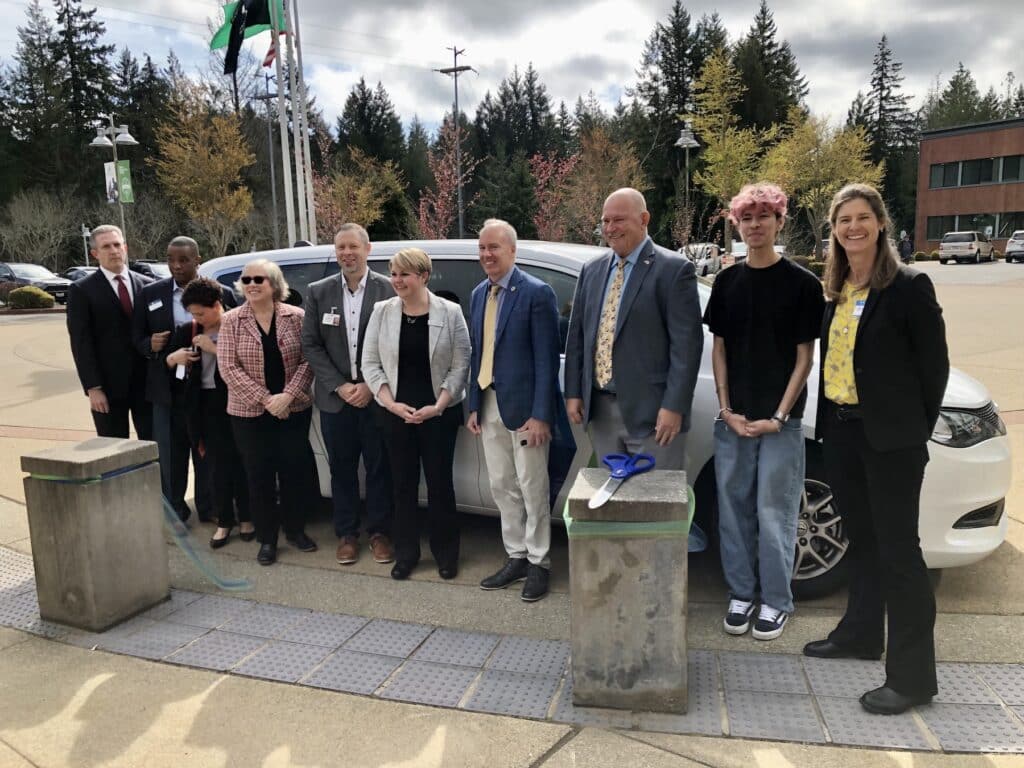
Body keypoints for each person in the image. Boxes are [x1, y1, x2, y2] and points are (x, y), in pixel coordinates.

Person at [803, 183, 949, 716]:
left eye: (862, 218)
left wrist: (911, 433)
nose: (852, 228)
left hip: (890, 443)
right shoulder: (837, 290)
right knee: (861, 542)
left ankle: (912, 679)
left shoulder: (909, 286)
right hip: (843, 435)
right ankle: (861, 635)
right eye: (843, 220)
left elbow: (934, 370)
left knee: (900, 555)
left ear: (881, 224)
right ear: (834, 230)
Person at [704, 183, 824, 641]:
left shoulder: (802, 284)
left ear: (779, 221)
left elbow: (804, 358)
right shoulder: (727, 281)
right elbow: (719, 348)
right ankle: (741, 592)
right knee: (733, 511)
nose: (755, 225)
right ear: (737, 223)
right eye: (746, 217)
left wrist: (778, 415)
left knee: (775, 512)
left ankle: (776, 600)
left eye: (763, 217)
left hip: (781, 422)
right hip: (733, 421)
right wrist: (727, 408)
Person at [564, 188, 703, 468]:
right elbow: (577, 337)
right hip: (600, 411)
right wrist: (574, 392)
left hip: (653, 416)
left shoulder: (673, 270)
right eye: (605, 221)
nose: (610, 228)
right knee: (612, 505)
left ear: (644, 219)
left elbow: (686, 348)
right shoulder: (591, 270)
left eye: (619, 220)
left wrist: (674, 406)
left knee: (654, 505)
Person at [361, 248, 471, 580]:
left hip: (438, 413)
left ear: (423, 276)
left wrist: (438, 404)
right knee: (402, 486)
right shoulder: (382, 311)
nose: (397, 280)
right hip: (396, 414)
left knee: (440, 485)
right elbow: (370, 363)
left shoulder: (450, 312)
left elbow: (461, 363)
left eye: (404, 274)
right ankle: (406, 553)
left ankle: (446, 554)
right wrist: (390, 404)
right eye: (394, 273)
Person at [467, 219, 561, 602]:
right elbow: (479, 352)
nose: (487, 255)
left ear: (512, 251)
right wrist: (473, 403)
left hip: (525, 410)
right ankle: (516, 556)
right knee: (502, 486)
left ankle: (539, 562)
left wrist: (541, 414)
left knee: (532, 487)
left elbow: (546, 360)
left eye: (495, 248)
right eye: (482, 248)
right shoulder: (477, 294)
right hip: (489, 402)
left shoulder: (537, 293)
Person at [300, 224, 396, 567]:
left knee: (379, 467)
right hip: (335, 398)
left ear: (368, 249)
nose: (346, 253)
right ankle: (347, 534)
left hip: (375, 396)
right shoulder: (318, 291)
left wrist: (371, 385)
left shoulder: (389, 288)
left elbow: (394, 342)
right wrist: (339, 386)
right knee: (340, 468)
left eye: (353, 246)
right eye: (340, 247)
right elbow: (310, 344)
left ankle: (380, 532)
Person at [218, 259, 318, 566]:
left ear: (273, 283)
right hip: (249, 414)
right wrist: (267, 400)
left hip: (293, 409)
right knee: (259, 476)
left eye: (258, 279)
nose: (250, 284)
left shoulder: (297, 317)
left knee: (293, 472)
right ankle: (267, 539)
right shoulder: (232, 320)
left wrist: (286, 397)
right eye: (246, 279)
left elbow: (309, 359)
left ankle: (295, 530)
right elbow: (228, 368)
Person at [133, 237, 229, 522]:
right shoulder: (150, 294)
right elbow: (135, 338)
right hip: (168, 389)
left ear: (197, 259)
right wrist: (150, 344)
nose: (176, 265)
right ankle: (175, 508)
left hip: (208, 390)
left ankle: (208, 507)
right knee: (172, 454)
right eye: (170, 259)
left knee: (206, 454)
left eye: (184, 260)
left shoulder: (220, 293)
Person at [164, 277, 253, 548]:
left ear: (217, 305)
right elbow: (167, 364)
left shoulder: (237, 326)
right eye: (193, 314)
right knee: (216, 465)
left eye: (201, 313)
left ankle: (247, 518)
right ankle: (224, 520)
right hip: (203, 405)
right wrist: (173, 359)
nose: (198, 319)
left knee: (242, 462)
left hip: (236, 402)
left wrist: (213, 349)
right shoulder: (187, 330)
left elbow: (249, 363)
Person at [67, 225, 152, 439]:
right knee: (112, 453)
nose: (114, 250)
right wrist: (93, 388)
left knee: (154, 448)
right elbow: (81, 343)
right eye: (106, 246)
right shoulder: (81, 290)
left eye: (117, 245)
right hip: (108, 389)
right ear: (95, 254)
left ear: (125, 247)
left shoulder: (148, 286)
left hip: (147, 386)